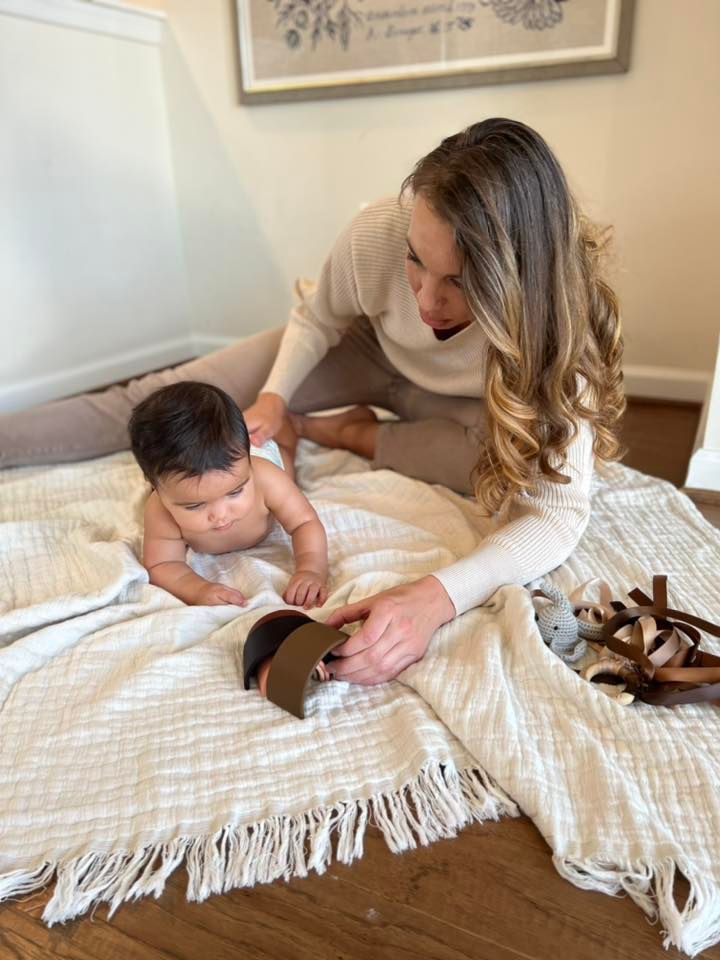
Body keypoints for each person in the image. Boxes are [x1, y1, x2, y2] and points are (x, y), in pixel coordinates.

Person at [0, 118, 624, 687]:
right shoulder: (378, 231)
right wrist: (273, 397)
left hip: (469, 404)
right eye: (416, 262)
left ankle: (344, 433)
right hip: (362, 351)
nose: (427, 301)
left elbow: (555, 516)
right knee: (164, 397)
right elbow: (316, 318)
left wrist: (436, 597)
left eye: (460, 283)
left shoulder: (564, 336)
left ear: (522, 279)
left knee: (500, 471)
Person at [128, 381, 328, 609]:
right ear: (155, 486)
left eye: (235, 492)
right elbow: (162, 564)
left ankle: (290, 425)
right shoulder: (160, 510)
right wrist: (198, 589)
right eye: (194, 506)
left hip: (262, 456)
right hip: (230, 466)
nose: (221, 515)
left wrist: (311, 568)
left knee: (287, 454)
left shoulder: (265, 478)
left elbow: (304, 522)